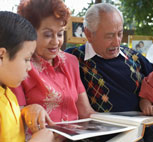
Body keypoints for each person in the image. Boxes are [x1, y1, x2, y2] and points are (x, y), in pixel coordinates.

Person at [12, 0, 95, 135]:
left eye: (60, 34)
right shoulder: (19, 66)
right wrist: (29, 110)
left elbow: (86, 112)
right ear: (29, 32)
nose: (56, 42)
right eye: (48, 35)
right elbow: (13, 120)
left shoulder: (71, 62)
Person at [65, 3, 153, 113]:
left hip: (143, 126)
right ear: (89, 34)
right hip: (101, 127)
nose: (117, 42)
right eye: (109, 36)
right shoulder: (73, 59)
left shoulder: (134, 56)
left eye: (120, 34)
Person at [0, 11, 55, 142]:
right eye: (26, 59)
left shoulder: (9, 94)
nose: (29, 67)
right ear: (2, 56)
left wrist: (26, 112)